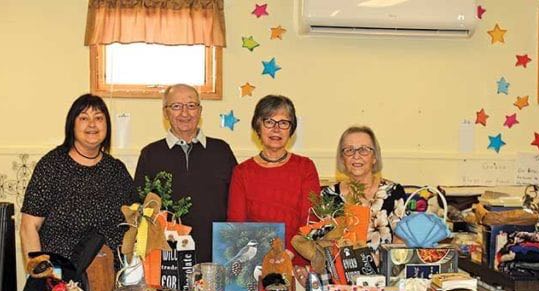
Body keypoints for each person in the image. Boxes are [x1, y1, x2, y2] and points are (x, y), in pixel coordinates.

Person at [20, 93, 136, 291]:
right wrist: (45, 277)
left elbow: (135, 225)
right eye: (83, 118)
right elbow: (29, 226)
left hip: (110, 282)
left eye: (99, 118)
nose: (92, 124)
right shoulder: (52, 167)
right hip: (60, 284)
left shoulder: (116, 170)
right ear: (72, 125)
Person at [133, 84, 237, 263]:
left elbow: (236, 202)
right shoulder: (150, 154)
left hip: (216, 256)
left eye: (191, 106)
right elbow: (140, 207)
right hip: (168, 256)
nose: (185, 113)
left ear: (200, 110)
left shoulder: (221, 150)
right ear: (165, 112)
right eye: (176, 106)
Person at [227, 95, 320, 264]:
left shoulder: (305, 167)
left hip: (298, 260)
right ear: (258, 127)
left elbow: (311, 219)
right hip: (254, 263)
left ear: (291, 130)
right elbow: (236, 225)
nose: (276, 129)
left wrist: (288, 254)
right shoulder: (242, 172)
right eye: (269, 122)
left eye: (284, 123)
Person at [320, 126, 408, 251]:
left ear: (374, 157)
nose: (356, 156)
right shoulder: (328, 195)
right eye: (349, 150)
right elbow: (321, 244)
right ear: (342, 158)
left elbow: (402, 243)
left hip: (385, 270)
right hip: (339, 270)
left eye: (364, 150)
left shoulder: (394, 192)